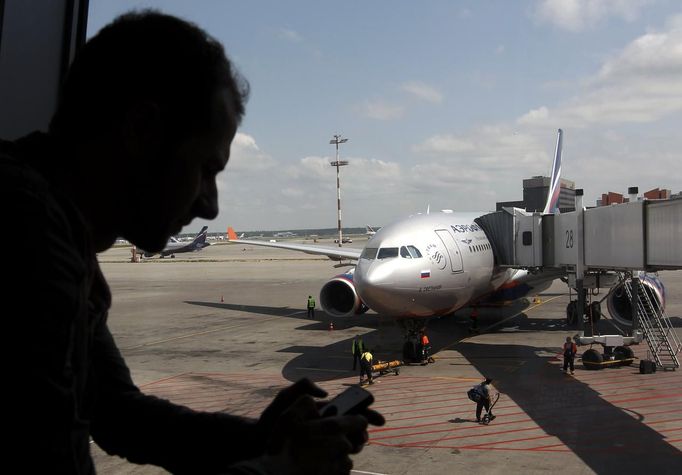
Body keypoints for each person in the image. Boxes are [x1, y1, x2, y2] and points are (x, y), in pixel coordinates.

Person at [1, 11, 383, 474]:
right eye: (205, 169)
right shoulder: (28, 237)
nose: (211, 206)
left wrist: (262, 438)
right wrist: (281, 468)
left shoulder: (59, 223)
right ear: (141, 130)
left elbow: (119, 414)